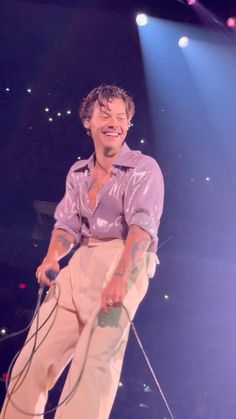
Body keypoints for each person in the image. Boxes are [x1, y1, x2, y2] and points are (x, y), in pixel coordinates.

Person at [0, 84, 164, 419]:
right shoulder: (78, 174)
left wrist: (120, 277)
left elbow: (142, 229)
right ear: (87, 121)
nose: (114, 122)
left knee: (92, 366)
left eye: (121, 116)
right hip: (82, 261)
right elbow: (67, 226)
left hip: (125, 258)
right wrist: (51, 258)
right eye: (105, 114)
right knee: (31, 361)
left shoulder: (143, 167)